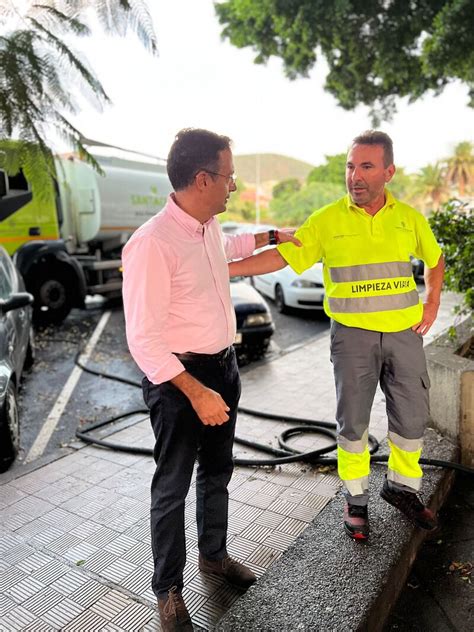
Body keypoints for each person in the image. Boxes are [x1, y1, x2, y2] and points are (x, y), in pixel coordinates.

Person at [122, 128, 300, 631]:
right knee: (172, 485)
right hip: (180, 379)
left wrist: (273, 236)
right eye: (229, 177)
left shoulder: (204, 228)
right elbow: (144, 341)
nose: (233, 187)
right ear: (203, 179)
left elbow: (234, 244)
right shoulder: (151, 244)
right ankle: (169, 592)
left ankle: (215, 557)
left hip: (222, 366)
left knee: (218, 470)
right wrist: (196, 392)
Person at [229, 130, 445, 542]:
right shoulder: (327, 220)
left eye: (365, 166)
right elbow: (282, 255)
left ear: (388, 172)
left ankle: (402, 489)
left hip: (404, 336)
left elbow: (435, 260)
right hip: (352, 338)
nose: (354, 176)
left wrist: (432, 303)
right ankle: (357, 500)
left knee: (412, 421)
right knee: (353, 425)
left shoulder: (409, 217)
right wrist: (222, 270)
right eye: (350, 166)